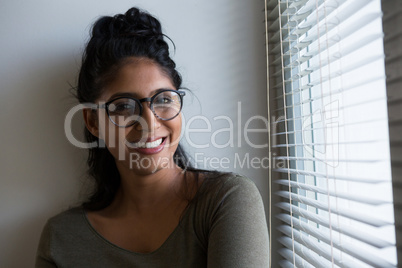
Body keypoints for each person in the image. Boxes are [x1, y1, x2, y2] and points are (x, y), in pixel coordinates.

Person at [35, 7, 269, 268]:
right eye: (124, 106)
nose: (149, 124)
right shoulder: (61, 239)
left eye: (163, 100)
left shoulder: (226, 201)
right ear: (93, 121)